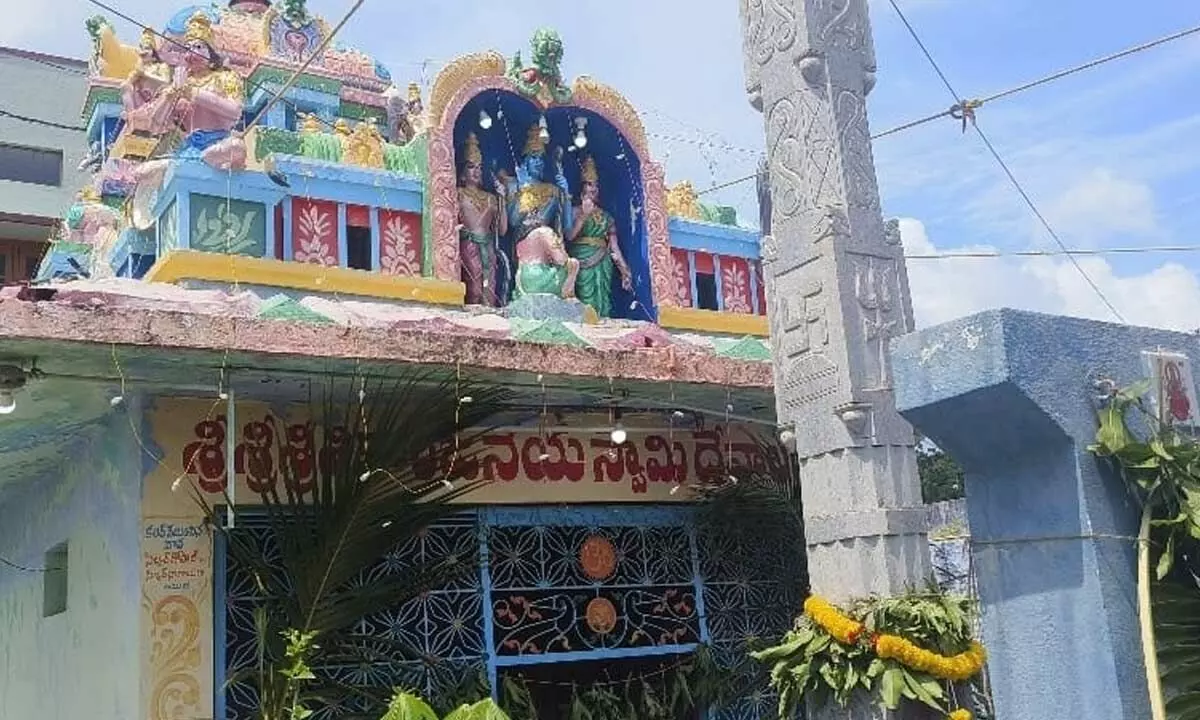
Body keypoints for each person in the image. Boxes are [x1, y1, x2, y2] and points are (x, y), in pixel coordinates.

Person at [566, 156, 632, 317]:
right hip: (582, 260)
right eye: (589, 184)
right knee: (585, 295)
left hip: (603, 262)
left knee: (602, 297)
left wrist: (624, 270)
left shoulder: (606, 217)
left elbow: (614, 246)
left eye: (596, 185)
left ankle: (603, 323)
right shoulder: (574, 211)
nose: (593, 189)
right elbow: (568, 236)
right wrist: (583, 215)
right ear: (582, 188)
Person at [457, 132, 508, 306]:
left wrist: (502, 198)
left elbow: (502, 230)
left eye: (479, 167)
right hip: (468, 243)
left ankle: (489, 316)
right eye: (471, 166)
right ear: (463, 171)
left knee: (489, 288)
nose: (476, 171)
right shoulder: (459, 193)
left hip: (488, 246)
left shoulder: (490, 197)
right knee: (473, 287)